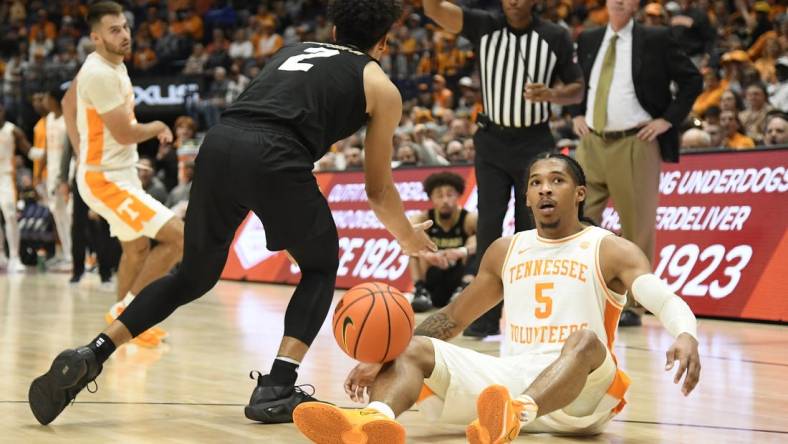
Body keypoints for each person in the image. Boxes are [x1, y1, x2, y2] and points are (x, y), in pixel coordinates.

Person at [29, 0, 436, 427]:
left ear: (333, 32)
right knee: (320, 266)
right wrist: (406, 236)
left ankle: (93, 352)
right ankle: (277, 385)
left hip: (220, 142)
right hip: (277, 154)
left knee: (192, 275)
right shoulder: (382, 86)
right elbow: (377, 189)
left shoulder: (294, 49)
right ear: (385, 41)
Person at [292, 153, 702, 444]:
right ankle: (370, 424)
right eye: (536, 183)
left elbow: (662, 298)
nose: (545, 190)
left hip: (582, 391)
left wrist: (685, 333)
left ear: (579, 193)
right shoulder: (507, 250)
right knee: (415, 345)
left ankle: (514, 415)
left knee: (584, 339)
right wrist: (385, 359)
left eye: (557, 180)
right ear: (525, 198)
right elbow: (452, 319)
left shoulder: (609, 247)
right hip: (511, 382)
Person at [423, 0, 585, 338]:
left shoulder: (554, 35)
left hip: (534, 143)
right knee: (488, 227)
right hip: (492, 141)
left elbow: (576, 89)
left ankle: (531, 312)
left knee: (533, 229)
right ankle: (484, 315)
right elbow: (436, 11)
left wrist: (552, 95)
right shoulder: (484, 24)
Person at [56, 2, 184, 348]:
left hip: (117, 173)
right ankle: (129, 313)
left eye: (125, 27)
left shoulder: (108, 64)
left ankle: (125, 322)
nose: (125, 34)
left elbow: (68, 105)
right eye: (115, 30)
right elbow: (127, 134)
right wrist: (159, 124)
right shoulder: (98, 73)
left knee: (137, 250)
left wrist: (80, 146)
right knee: (178, 238)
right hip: (106, 179)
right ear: (96, 37)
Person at [570, 0, 702, 327]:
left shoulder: (656, 38)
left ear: (636, 5)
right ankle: (576, 294)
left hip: (635, 142)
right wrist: (575, 113)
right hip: (591, 140)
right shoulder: (588, 38)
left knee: (636, 229)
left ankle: (632, 305)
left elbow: (692, 80)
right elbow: (577, 84)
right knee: (576, 221)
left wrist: (667, 120)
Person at [410, 172, 477, 312]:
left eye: (450, 194)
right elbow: (406, 234)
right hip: (434, 275)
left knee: (475, 240)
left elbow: (488, 240)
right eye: (439, 195)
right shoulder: (424, 218)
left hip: (459, 273)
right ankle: (420, 291)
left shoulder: (469, 219)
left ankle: (464, 288)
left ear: (458, 195)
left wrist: (461, 251)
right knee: (413, 243)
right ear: (432, 198)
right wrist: (427, 254)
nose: (445, 200)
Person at [42, 88, 73, 270]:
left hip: (65, 173)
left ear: (54, 100)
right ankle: (67, 255)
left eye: (46, 97)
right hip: (52, 173)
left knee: (70, 215)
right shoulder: (48, 120)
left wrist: (67, 178)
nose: (44, 102)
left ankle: (79, 256)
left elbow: (70, 152)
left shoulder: (67, 120)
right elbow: (47, 150)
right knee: (58, 215)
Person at [0, 102, 32, 272]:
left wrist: (41, 153)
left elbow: (27, 149)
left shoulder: (12, 130)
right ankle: (1, 256)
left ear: (3, 111)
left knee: (10, 215)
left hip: (6, 178)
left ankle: (14, 257)